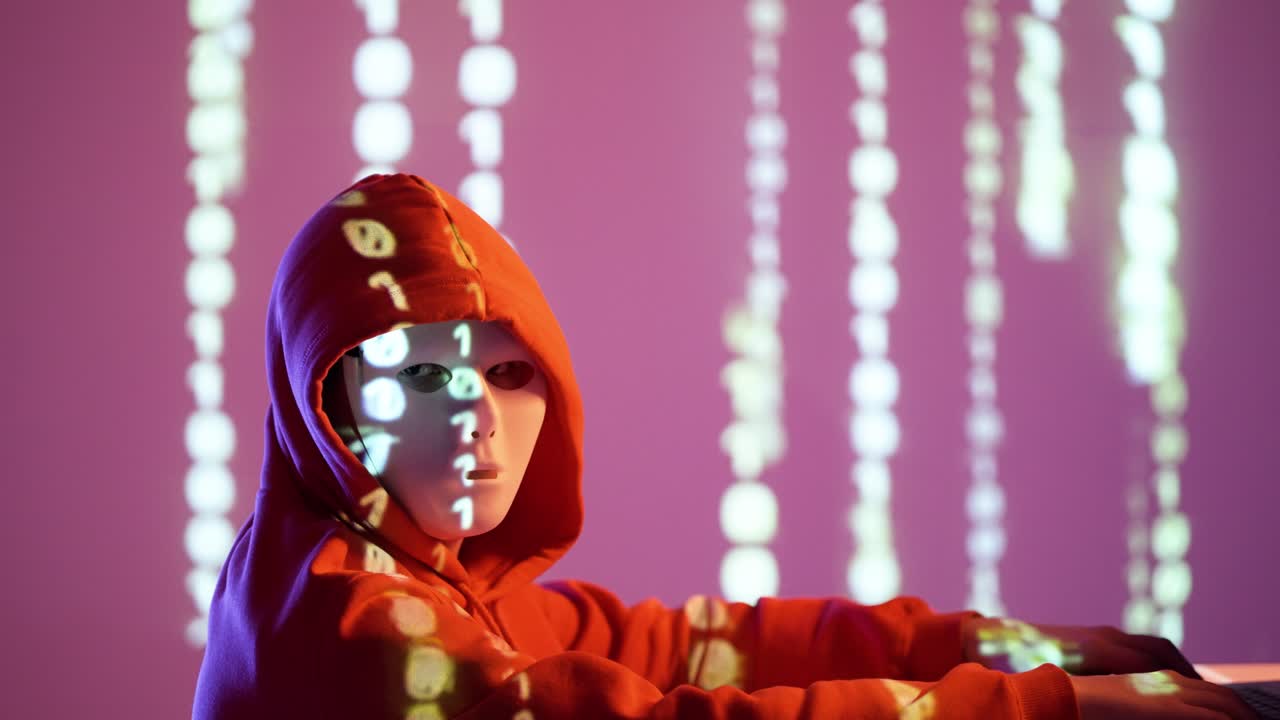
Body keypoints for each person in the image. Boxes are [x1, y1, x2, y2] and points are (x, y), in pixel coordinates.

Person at [193, 173, 1257, 719]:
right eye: (423, 374)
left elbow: (671, 649)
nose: (476, 415)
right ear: (322, 399)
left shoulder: (417, 566)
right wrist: (1050, 708)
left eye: (511, 373)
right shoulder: (349, 619)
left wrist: (998, 647)